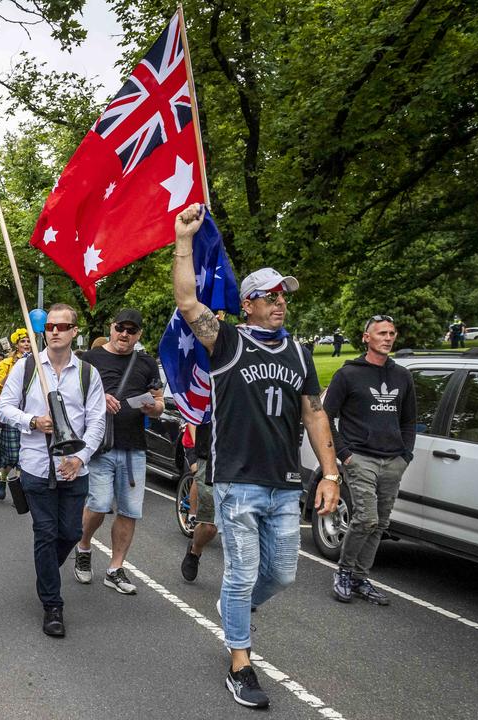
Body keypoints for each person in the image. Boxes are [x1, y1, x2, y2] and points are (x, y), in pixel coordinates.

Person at [173, 203, 340, 709]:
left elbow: (313, 414)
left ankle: (233, 611)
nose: (280, 303)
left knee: (282, 574)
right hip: (237, 480)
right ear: (247, 304)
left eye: (283, 295)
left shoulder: (300, 354)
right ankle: (241, 663)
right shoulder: (225, 341)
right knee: (243, 571)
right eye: (269, 296)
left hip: (285, 483)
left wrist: (328, 473)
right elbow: (186, 301)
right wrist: (184, 240)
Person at [0, 305, 104, 638]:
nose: (55, 331)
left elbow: (97, 420)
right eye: (50, 326)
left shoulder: (87, 374)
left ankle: (47, 572)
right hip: (36, 467)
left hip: (73, 469)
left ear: (74, 331)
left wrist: (81, 458)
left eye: (62, 326)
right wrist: (31, 420)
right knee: (45, 532)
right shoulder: (26, 368)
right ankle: (52, 605)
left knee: (71, 533)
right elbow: (3, 407)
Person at [324, 315, 415, 605]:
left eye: (391, 333)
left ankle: (362, 577)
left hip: (393, 460)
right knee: (366, 518)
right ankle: (344, 572)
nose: (387, 338)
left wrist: (405, 455)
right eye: (381, 333)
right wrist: (345, 455)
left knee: (381, 522)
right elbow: (325, 417)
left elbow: (409, 420)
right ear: (366, 338)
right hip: (360, 458)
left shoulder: (402, 376)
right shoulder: (348, 374)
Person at [74, 309, 165, 594]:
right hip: (99, 445)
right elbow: (72, 395)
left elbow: (160, 403)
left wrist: (154, 406)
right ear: (111, 328)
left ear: (138, 335)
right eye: (120, 328)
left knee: (129, 511)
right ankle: (84, 546)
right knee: (99, 503)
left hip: (134, 446)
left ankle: (115, 568)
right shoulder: (90, 359)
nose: (125, 334)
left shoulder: (147, 363)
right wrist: (101, 398)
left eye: (131, 330)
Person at [0, 329, 32, 499]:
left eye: (29, 341)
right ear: (16, 344)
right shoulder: (6, 363)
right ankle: (2, 478)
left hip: (29, 411)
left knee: (25, 456)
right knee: (13, 455)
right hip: (11, 411)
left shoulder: (37, 361)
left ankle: (19, 494)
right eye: (23, 341)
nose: (26, 345)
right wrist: (16, 367)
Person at [179, 423, 218, 582]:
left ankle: (242, 592)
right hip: (207, 456)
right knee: (209, 528)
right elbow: (193, 420)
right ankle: (195, 549)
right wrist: (195, 453)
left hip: (239, 463)